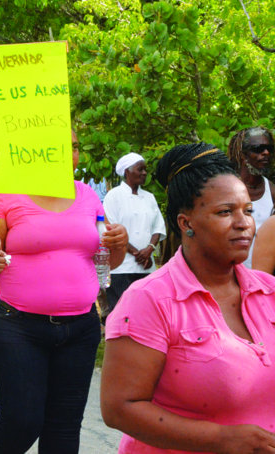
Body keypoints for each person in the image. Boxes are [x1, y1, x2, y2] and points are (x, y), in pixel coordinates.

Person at [101, 142, 275, 453]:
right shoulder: (149, 300)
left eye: (248, 210)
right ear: (186, 223)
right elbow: (118, 408)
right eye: (225, 212)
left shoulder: (269, 291)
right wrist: (222, 439)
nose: (244, 223)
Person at [0, 131, 128, 452]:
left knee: (64, 428)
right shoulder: (5, 195)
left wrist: (119, 243)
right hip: (16, 326)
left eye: (73, 147)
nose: (70, 154)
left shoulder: (88, 196)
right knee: (21, 420)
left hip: (80, 329)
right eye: (60, 147)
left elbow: (107, 258)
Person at [102, 152, 166, 320]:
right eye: (140, 169)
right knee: (121, 313)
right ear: (127, 172)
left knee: (145, 313)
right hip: (121, 267)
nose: (144, 173)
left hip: (146, 266)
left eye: (145, 169)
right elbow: (111, 228)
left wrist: (149, 249)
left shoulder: (149, 197)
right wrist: (138, 253)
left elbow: (158, 227)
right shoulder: (113, 196)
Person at [226, 126, 275, 268]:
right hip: (228, 274)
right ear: (243, 154)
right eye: (258, 148)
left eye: (269, 149)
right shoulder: (225, 189)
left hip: (262, 278)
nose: (266, 153)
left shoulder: (271, 192)